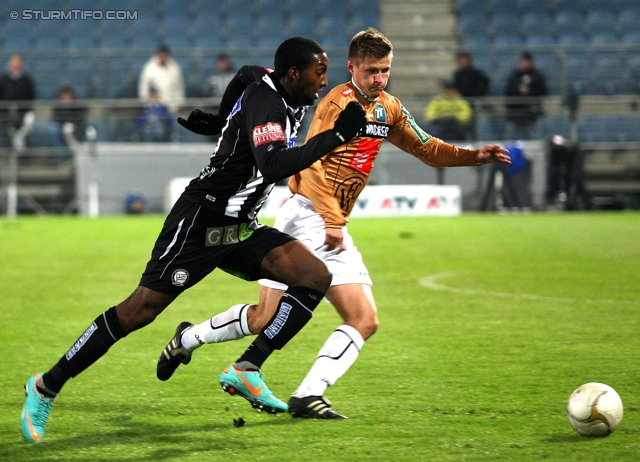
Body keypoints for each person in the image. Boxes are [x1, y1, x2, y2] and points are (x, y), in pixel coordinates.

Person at [20, 36, 368, 443]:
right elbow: (273, 164)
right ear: (294, 74)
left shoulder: (280, 87)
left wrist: (221, 120)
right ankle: (46, 385)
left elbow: (244, 74)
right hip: (201, 221)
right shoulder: (267, 103)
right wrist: (335, 136)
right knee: (139, 311)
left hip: (239, 226)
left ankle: (247, 369)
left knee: (313, 276)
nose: (323, 81)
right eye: (318, 72)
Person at [156, 28, 511, 419]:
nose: (379, 79)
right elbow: (310, 167)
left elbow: (428, 149)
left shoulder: (388, 108)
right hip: (312, 213)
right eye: (372, 70)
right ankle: (300, 391)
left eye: (385, 71)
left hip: (313, 217)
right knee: (363, 318)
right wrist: (333, 221)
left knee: (263, 317)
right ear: (352, 68)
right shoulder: (335, 103)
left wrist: (474, 156)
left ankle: (188, 338)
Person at [504, 51, 547, 140]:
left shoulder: (537, 76)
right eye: (523, 61)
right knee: (513, 136)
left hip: (530, 113)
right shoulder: (515, 75)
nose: (524, 63)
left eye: (527, 61)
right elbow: (509, 91)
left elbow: (543, 91)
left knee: (531, 135)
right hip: (515, 112)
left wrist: (530, 91)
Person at [138, 44, 185, 115]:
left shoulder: (174, 68)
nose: (163, 57)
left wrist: (180, 102)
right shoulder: (149, 68)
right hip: (154, 106)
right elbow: (143, 86)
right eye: (162, 55)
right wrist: (145, 100)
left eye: (165, 55)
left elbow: (179, 86)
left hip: (171, 105)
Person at [0, 54, 36, 147]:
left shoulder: (26, 79)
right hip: (5, 113)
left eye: (17, 63)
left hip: (23, 112)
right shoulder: (3, 79)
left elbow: (32, 96)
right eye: (13, 63)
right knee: (6, 131)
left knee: (27, 127)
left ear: (21, 64)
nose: (15, 65)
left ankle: (23, 156)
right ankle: (8, 153)